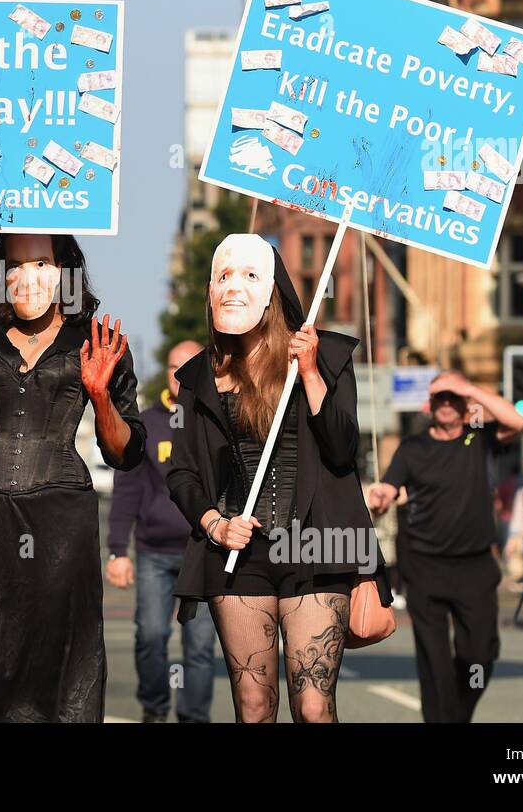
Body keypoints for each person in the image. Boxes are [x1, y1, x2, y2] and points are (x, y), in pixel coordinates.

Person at [0, 234, 146, 723]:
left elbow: (125, 453)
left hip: (62, 524)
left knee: (62, 662)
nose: (26, 278)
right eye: (15, 266)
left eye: (40, 263)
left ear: (65, 271)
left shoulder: (95, 339)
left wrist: (101, 396)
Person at [168, 234, 389, 724]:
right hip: (238, 554)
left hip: (317, 545)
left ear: (271, 288)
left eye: (247, 275)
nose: (233, 287)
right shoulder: (200, 377)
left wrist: (310, 374)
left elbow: (341, 448)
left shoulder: (326, 354)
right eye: (222, 276)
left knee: (312, 707)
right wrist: (214, 524)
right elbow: (181, 472)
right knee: (253, 708)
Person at [367, 369, 523, 723]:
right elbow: (390, 489)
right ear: (430, 404)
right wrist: (380, 497)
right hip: (425, 566)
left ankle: (456, 716)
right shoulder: (413, 447)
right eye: (440, 396)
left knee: (480, 656)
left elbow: (518, 420)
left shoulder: (481, 437)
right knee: (434, 660)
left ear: (466, 403)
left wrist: (469, 388)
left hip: (475, 566)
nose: (447, 403)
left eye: (454, 397)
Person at [106, 338, 217, 723]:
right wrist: (118, 550)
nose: (182, 376)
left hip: (203, 552)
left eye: (191, 367)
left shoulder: (215, 423)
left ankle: (194, 716)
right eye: (175, 368)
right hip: (153, 552)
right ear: (167, 373)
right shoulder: (148, 423)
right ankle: (154, 706)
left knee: (200, 645)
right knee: (151, 635)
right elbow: (127, 489)